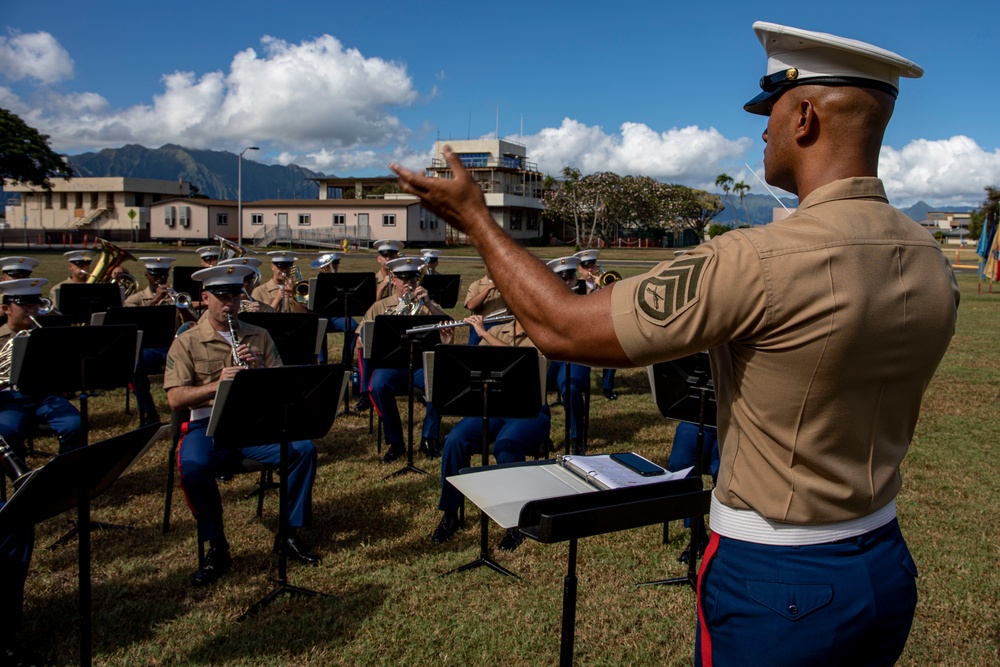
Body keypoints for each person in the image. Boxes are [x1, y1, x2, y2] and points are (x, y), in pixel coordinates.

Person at [391, 21, 959, 666]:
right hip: (882, 557)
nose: (762, 130)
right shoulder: (927, 255)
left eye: (768, 111)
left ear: (803, 117)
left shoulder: (758, 258)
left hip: (778, 578)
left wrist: (476, 219)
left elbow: (563, 328)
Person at [164, 264, 320, 586]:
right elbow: (176, 398)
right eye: (221, 297)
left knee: (303, 449)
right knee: (193, 466)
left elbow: (282, 386)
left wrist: (260, 370)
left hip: (254, 422)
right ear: (204, 298)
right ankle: (216, 545)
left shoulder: (258, 334)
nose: (230, 304)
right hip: (207, 426)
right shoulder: (187, 341)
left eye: (235, 296)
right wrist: (216, 385)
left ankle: (288, 533)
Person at [431, 311, 550, 551]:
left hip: (531, 409)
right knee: (455, 439)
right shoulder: (498, 330)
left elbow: (527, 359)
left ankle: (517, 521)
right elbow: (472, 366)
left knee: (506, 444)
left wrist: (483, 333)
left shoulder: (544, 333)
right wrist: (449, 346)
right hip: (493, 406)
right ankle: (450, 514)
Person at [358, 257, 453, 462]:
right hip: (391, 364)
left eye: (412, 278)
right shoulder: (380, 307)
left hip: (419, 364)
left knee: (439, 382)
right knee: (379, 386)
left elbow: (449, 324)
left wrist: (428, 303)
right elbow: (359, 341)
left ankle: (429, 438)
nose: (409, 283)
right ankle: (395, 442)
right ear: (393, 279)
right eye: (403, 279)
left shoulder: (427, 305)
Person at [0, 279, 82, 460]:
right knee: (5, 433)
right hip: (8, 399)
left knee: (75, 424)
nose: (31, 310)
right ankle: (22, 477)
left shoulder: (47, 335)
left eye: (35, 304)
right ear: (6, 309)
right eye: (24, 305)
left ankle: (66, 471)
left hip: (44, 397)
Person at [125, 257, 188, 425]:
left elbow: (190, 324)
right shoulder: (135, 299)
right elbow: (131, 324)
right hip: (147, 348)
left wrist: (183, 309)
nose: (160, 280)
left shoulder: (176, 297)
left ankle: (186, 412)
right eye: (155, 276)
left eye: (163, 275)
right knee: (135, 367)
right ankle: (149, 413)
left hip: (172, 347)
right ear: (147, 275)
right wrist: (155, 301)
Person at [545, 257, 592, 455]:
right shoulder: (546, 299)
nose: (567, 283)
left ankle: (576, 437)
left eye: (570, 278)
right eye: (562, 279)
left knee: (570, 388)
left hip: (577, 355)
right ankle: (540, 435)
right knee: (530, 383)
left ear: (575, 279)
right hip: (551, 354)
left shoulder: (588, 297)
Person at [574, 249, 618, 400]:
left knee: (614, 350)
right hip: (582, 329)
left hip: (601, 326)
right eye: (586, 267)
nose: (590, 270)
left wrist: (606, 288)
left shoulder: (604, 282)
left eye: (592, 266)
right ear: (579, 269)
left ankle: (608, 387)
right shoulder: (576, 285)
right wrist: (594, 289)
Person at [312, 252, 359, 364]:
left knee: (353, 326)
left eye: (336, 263)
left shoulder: (343, 281)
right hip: (322, 316)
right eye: (330, 264)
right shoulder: (316, 281)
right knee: (320, 326)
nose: (333, 266)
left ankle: (346, 361)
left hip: (339, 316)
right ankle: (323, 363)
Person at [463, 267, 506, 346]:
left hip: (505, 324)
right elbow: (471, 305)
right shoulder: (476, 285)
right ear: (485, 266)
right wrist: (489, 288)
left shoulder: (509, 284)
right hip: (483, 323)